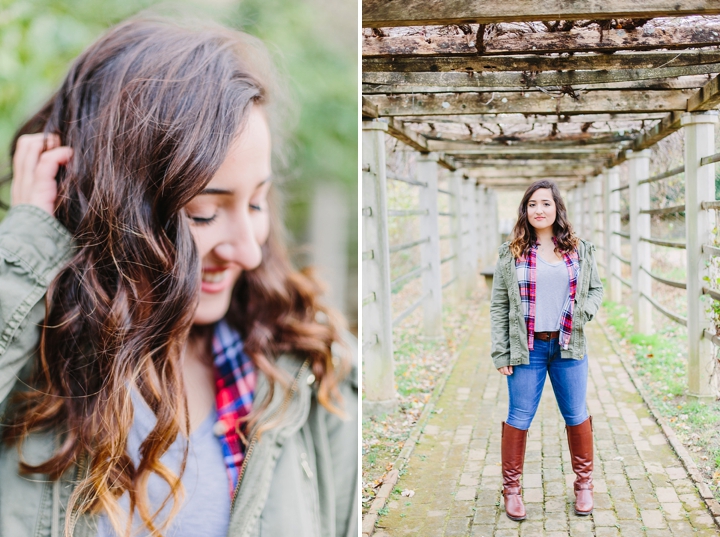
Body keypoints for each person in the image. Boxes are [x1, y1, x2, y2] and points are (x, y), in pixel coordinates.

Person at [0, 16, 357, 537]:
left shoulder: (305, 365)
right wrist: (26, 249)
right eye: (203, 213)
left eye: (256, 202)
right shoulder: (33, 367)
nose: (248, 251)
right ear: (111, 206)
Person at [489, 180, 603, 521]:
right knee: (519, 417)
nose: (539, 210)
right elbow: (498, 305)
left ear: (557, 209)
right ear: (525, 210)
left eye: (546, 204)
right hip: (528, 348)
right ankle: (512, 491)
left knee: (576, 414)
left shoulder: (579, 250)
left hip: (569, 345)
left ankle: (584, 485)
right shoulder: (511, 253)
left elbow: (596, 289)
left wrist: (582, 313)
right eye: (532, 204)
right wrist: (501, 352)